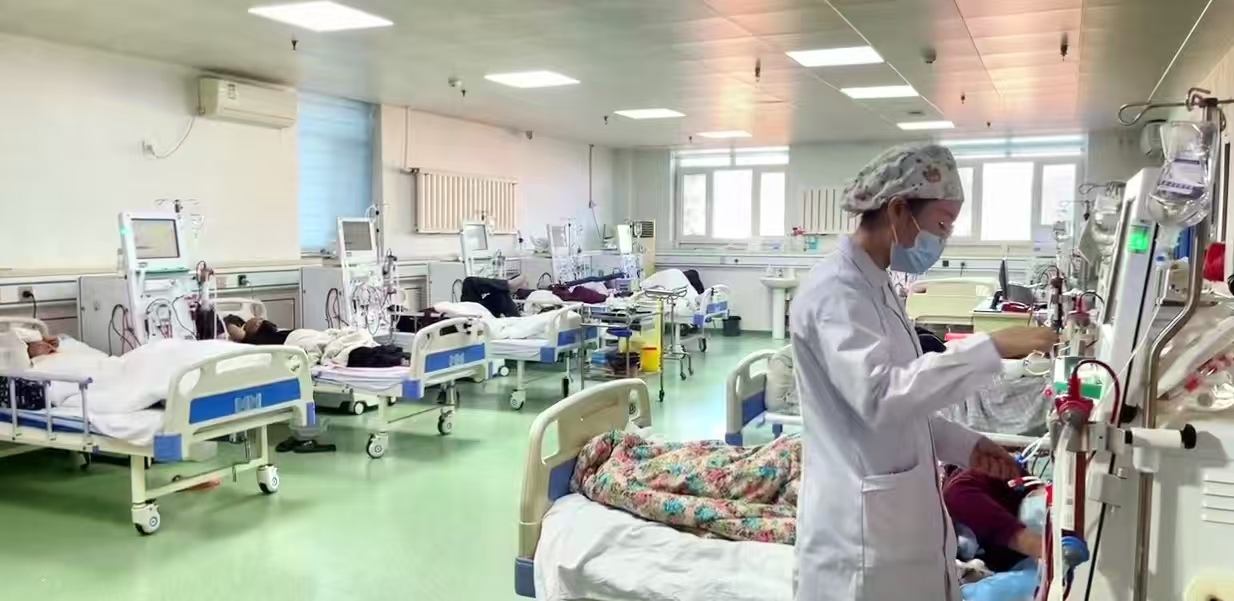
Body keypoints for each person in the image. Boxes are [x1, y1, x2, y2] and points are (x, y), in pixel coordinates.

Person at [791, 142, 1057, 601]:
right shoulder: (835, 292)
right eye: (942, 224)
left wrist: (967, 445)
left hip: (896, 519)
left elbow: (906, 404)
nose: (943, 239)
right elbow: (882, 398)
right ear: (898, 210)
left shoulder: (878, 285)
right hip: (858, 538)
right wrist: (990, 348)